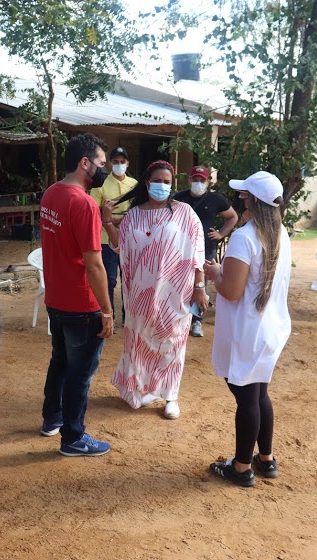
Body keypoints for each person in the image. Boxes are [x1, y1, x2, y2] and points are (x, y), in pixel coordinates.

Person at [203, 171, 292, 487]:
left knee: (247, 399)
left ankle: (241, 468)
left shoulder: (244, 237)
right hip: (270, 328)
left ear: (253, 200)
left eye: (244, 195)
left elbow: (231, 291)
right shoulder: (280, 233)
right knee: (259, 393)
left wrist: (214, 272)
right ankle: (265, 459)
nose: (240, 198)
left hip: (247, 331)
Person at [101, 160, 206, 420]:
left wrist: (200, 286)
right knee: (139, 342)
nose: (162, 186)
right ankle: (139, 390)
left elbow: (197, 252)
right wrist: (107, 223)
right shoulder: (134, 215)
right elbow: (119, 247)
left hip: (175, 292)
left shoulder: (184, 213)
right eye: (157, 181)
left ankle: (170, 396)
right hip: (139, 294)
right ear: (147, 183)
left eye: (167, 182)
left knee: (172, 342)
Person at [39, 132, 114, 457]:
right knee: (80, 374)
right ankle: (73, 438)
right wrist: (107, 312)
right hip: (82, 305)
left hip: (56, 300)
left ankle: (51, 419)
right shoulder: (84, 204)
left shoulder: (51, 194)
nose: (104, 170)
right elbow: (95, 266)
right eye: (101, 164)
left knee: (60, 363)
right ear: (85, 163)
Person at [173, 165, 239, 338]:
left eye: (202, 180)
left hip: (206, 250)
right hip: (181, 248)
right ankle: (180, 318)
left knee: (201, 285)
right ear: (189, 180)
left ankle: (197, 321)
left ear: (208, 182)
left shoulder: (216, 199)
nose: (198, 183)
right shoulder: (179, 198)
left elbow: (233, 217)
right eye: (195, 180)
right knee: (180, 282)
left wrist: (221, 234)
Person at [89, 147, 138, 327]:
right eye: (115, 162)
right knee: (108, 280)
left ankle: (129, 317)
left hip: (130, 238)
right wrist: (110, 219)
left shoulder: (134, 184)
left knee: (130, 279)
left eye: (122, 162)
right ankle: (109, 314)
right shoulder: (100, 184)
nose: (119, 165)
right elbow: (94, 210)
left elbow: (139, 208)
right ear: (110, 164)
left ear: (128, 163)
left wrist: (120, 219)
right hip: (105, 239)